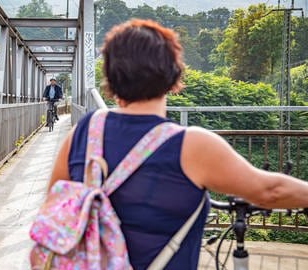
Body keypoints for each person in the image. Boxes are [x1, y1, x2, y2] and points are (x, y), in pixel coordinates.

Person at [47, 19, 308, 269]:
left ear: (110, 77)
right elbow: (269, 191)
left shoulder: (84, 132)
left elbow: (52, 210)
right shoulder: (191, 145)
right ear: (173, 75)